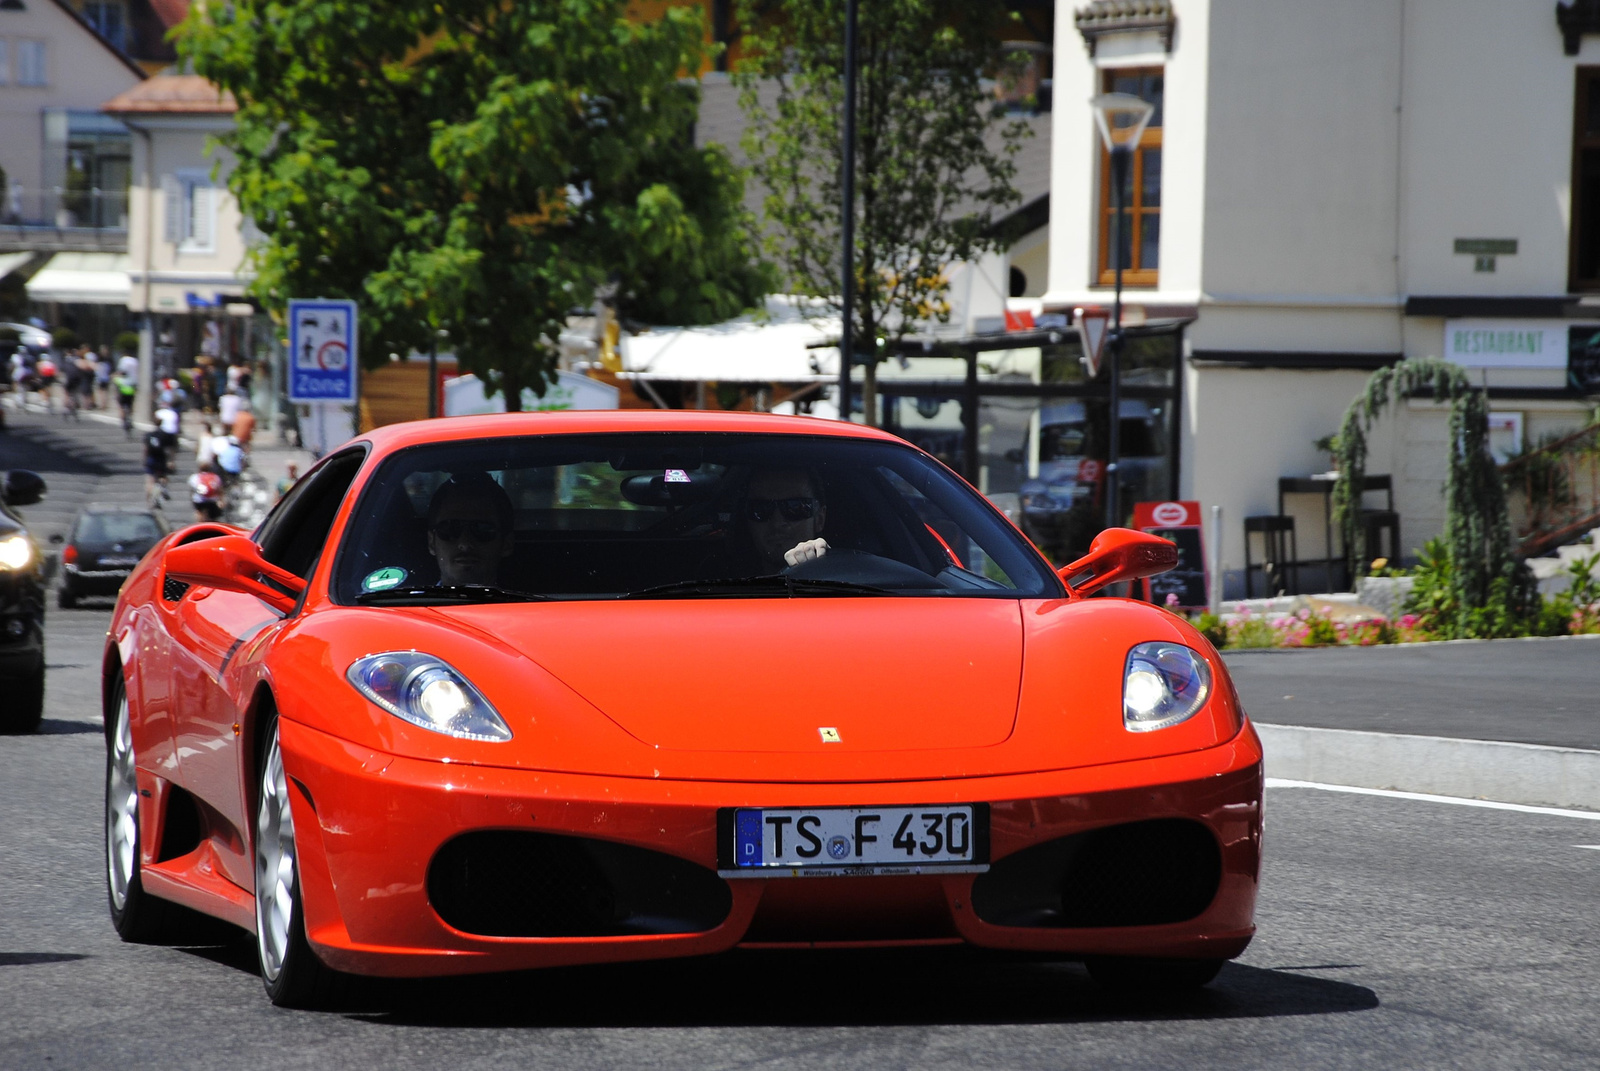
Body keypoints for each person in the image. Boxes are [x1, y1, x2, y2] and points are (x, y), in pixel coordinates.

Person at [426, 473, 516, 587]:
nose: (465, 543)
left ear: (507, 544)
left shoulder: (535, 605)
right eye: (451, 529)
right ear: (431, 542)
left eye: (482, 529)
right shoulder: (406, 604)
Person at [739, 467, 830, 573]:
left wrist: (823, 564)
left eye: (795, 507)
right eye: (761, 509)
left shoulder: (842, 576)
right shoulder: (722, 581)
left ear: (819, 519)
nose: (777, 523)